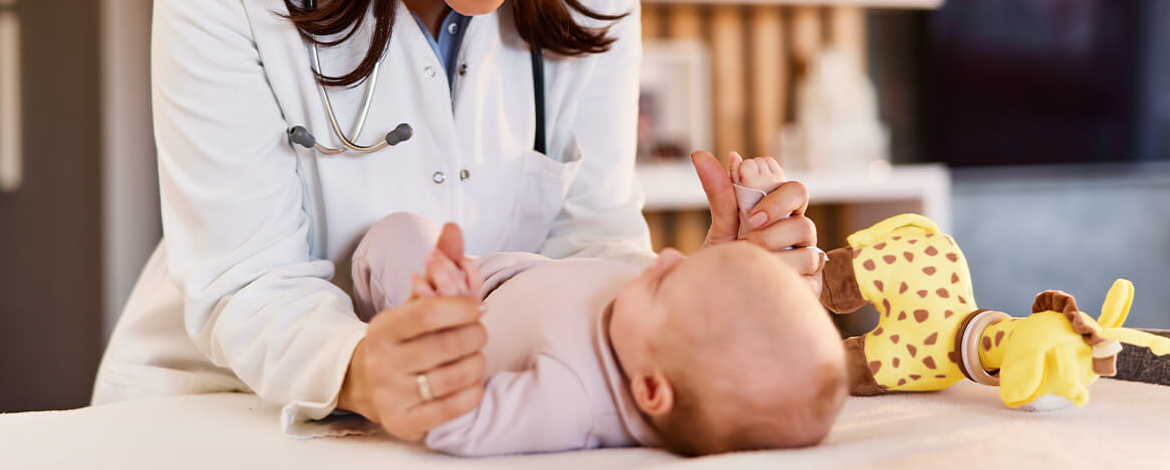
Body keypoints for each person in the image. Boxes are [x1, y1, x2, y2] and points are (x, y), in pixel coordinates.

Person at [91, 0, 824, 441]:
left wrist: (696, 306)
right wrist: (361, 367)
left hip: (470, 402)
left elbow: (591, 238)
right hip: (226, 404)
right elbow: (250, 279)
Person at [349, 155, 846, 456]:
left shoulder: (573, 402)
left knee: (399, 233)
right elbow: (692, 304)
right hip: (521, 272)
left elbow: (458, 422)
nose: (668, 256)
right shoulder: (662, 340)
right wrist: (752, 212)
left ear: (650, 389)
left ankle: (411, 306)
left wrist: (437, 325)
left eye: (663, 283)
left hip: (471, 312)